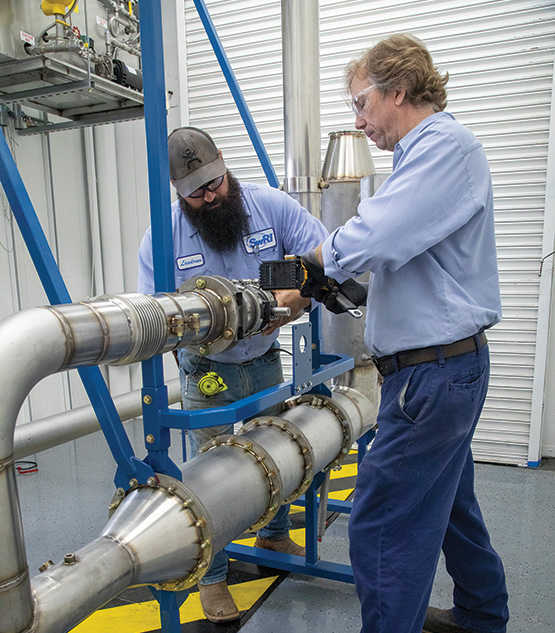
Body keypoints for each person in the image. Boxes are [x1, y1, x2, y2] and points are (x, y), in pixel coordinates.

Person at [306, 34, 509, 633]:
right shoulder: (421, 158)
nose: (360, 120)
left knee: (382, 525)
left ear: (397, 89)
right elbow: (410, 262)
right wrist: (335, 284)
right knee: (451, 508)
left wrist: (312, 267)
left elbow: (378, 237)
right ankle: (480, 615)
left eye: (361, 103)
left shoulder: (444, 147)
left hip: (433, 375)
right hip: (434, 373)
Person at [137, 126, 328, 623]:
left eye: (216, 181)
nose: (212, 195)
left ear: (224, 161)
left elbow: (324, 253)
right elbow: (152, 319)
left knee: (280, 446)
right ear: (177, 191)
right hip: (206, 369)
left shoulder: (270, 205)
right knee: (212, 473)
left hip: (264, 356)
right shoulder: (161, 239)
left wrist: (297, 293)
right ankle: (214, 577)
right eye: (196, 191)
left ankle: (273, 530)